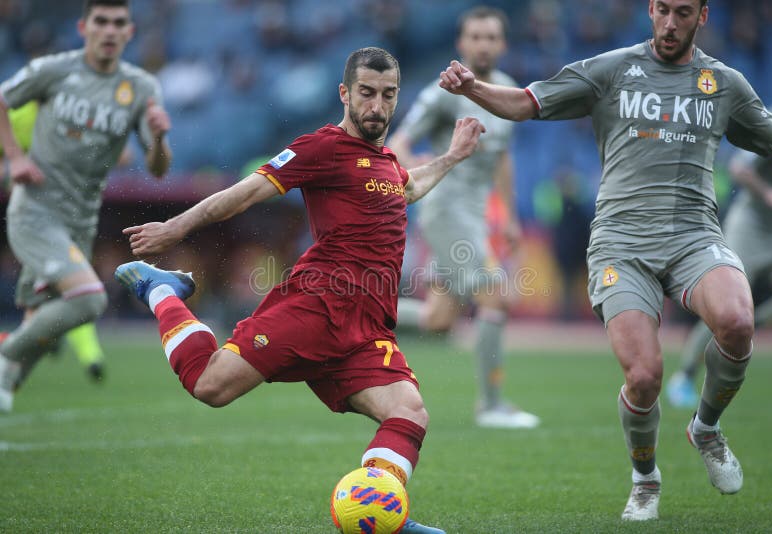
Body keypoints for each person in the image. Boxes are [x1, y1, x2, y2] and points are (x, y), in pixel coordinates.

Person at [439, 0, 772, 521]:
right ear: (650, 11)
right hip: (621, 244)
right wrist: (473, 87)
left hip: (694, 236)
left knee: (739, 322)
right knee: (644, 376)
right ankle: (645, 477)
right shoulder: (611, 70)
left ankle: (705, 428)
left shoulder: (724, 84)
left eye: (683, 13)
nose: (670, 24)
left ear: (703, 16)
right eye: (663, 12)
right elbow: (524, 102)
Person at [114, 47, 484, 534]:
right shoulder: (320, 149)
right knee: (209, 385)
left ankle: (382, 514)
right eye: (367, 94)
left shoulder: (386, 161)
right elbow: (245, 192)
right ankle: (161, 291)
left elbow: (408, 187)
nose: (377, 106)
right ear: (344, 94)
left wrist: (453, 157)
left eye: (388, 95)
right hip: (314, 307)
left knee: (409, 413)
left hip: (365, 326)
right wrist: (177, 228)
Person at [0, 0, 172, 412]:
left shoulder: (142, 87)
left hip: (81, 219)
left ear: (129, 32)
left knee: (44, 323)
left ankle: (8, 378)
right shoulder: (55, 70)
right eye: (101, 22)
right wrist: (16, 158)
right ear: (84, 27)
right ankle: (4, 358)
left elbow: (158, 169)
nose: (109, 30)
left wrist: (160, 139)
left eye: (118, 23)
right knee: (90, 300)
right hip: (36, 210)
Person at [389, 6, 539, 430]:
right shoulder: (442, 93)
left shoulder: (508, 90)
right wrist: (413, 165)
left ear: (503, 44)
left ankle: (348, 307)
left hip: (475, 215)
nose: (483, 44)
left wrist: (508, 215)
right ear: (461, 43)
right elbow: (399, 141)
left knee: (439, 319)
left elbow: (502, 158)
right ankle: (491, 405)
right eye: (475, 36)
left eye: (491, 37)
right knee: (497, 295)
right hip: (446, 210)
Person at [667, 57, 772, 408]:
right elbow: (739, 168)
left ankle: (755, 321)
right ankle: (683, 375)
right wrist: (768, 193)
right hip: (752, 228)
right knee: (724, 306)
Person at [0, 101, 107, 383]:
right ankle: (23, 355)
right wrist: (14, 164)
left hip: (68, 220)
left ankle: (26, 351)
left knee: (72, 292)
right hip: (33, 222)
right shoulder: (17, 115)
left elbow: (119, 155)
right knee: (74, 293)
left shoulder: (77, 114)